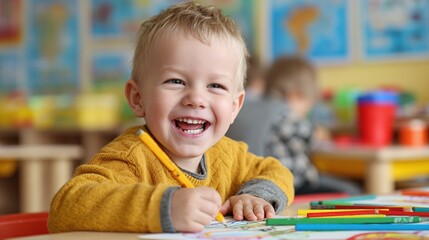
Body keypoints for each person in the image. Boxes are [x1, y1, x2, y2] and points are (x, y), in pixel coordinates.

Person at [48, 2, 294, 234]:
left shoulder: (230, 155)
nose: (196, 98)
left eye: (215, 85)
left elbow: (278, 171)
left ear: (234, 107)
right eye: (176, 81)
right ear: (137, 98)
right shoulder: (131, 159)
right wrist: (164, 208)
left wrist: (256, 197)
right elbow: (66, 206)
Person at [227, 55, 361, 195]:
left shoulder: (248, 108)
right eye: (307, 106)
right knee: (351, 190)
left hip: (249, 184)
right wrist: (321, 132)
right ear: (296, 96)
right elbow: (312, 134)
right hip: (288, 185)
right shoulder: (283, 114)